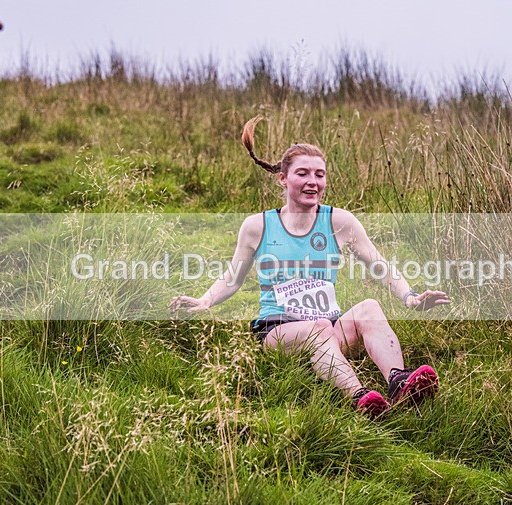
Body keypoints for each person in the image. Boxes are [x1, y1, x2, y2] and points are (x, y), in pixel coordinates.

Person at [171, 116, 450, 417]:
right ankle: (361, 399)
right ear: (283, 178)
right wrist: (204, 301)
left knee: (368, 306)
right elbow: (233, 278)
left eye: (320, 175)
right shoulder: (257, 226)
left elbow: (378, 264)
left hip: (330, 328)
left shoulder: (339, 222)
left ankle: (399, 381)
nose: (312, 182)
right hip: (278, 334)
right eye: (302, 173)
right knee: (317, 329)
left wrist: (410, 297)